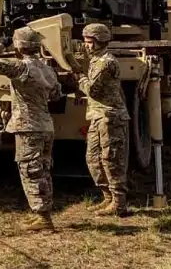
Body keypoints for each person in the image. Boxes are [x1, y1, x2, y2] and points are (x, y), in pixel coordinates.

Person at [0, 26, 62, 232]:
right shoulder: (48, 69)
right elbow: (56, 95)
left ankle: (44, 218)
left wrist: (1, 43)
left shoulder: (20, 67)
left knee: (31, 170)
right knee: (43, 169)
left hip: (28, 126)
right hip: (45, 125)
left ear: (19, 46)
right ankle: (42, 213)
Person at [76, 22, 130, 217]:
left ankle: (119, 203)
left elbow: (92, 90)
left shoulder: (106, 62)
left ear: (99, 42)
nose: (86, 45)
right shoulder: (95, 60)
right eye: (85, 41)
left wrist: (78, 76)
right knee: (93, 159)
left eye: (89, 41)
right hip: (97, 116)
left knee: (111, 160)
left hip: (110, 117)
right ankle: (107, 197)